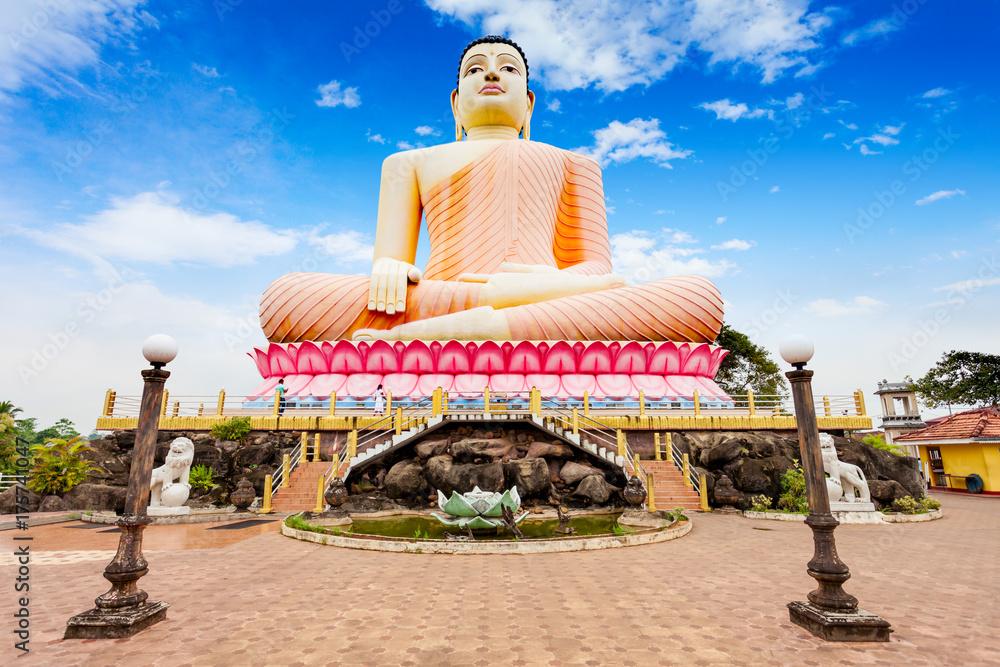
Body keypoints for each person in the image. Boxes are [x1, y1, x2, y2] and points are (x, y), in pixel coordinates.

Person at [260, 35, 722, 344]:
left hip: (552, 294)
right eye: (476, 69)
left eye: (508, 69)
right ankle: (472, 324)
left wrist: (542, 284)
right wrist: (388, 266)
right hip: (445, 294)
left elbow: (596, 269)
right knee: (287, 298)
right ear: (457, 104)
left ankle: (414, 341)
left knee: (697, 298)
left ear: (529, 105)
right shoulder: (408, 163)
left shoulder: (574, 163)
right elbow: (393, 264)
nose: (492, 75)